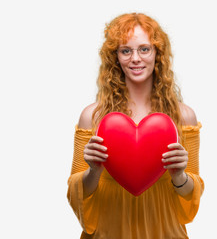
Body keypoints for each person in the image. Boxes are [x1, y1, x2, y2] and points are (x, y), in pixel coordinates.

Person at [67, 12, 204, 239]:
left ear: (157, 54)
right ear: (116, 58)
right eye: (126, 51)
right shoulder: (92, 117)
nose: (136, 59)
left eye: (144, 49)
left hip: (164, 233)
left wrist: (179, 175)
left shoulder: (183, 116)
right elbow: (76, 194)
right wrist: (93, 170)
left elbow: (192, 196)